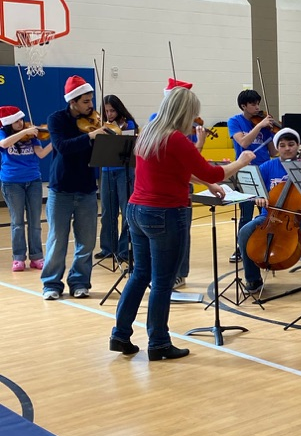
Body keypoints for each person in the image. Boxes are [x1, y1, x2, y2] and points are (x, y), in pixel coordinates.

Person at [109, 86, 254, 360]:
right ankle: (159, 343)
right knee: (163, 281)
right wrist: (241, 161)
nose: (194, 120)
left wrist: (207, 184)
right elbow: (214, 170)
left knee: (140, 274)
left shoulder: (149, 133)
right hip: (163, 212)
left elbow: (177, 170)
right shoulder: (175, 139)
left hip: (136, 209)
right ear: (184, 112)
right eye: (193, 115)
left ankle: (120, 334)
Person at [41, 76, 111, 300]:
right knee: (57, 239)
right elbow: (62, 147)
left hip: (87, 189)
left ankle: (80, 282)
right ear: (72, 101)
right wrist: (91, 136)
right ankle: (51, 284)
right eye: (86, 101)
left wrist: (105, 139)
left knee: (87, 241)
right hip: (61, 189)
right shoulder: (56, 120)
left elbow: (100, 155)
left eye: (91, 100)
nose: (91, 105)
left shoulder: (94, 122)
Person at [238, 127, 301, 296]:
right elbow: (254, 190)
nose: (287, 148)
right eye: (282, 145)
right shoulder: (267, 166)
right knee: (244, 232)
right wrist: (258, 197)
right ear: (277, 148)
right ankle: (253, 278)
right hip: (268, 216)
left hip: (300, 216)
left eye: (291, 144)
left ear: (298, 146)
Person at [151, 77, 207, 290]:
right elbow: (196, 165)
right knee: (174, 239)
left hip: (158, 198)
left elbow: (185, 165)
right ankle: (170, 277)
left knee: (183, 235)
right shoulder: (170, 132)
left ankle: (179, 274)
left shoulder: (165, 130)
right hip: (166, 200)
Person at [227, 89, 278, 260]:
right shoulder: (235, 121)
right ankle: (241, 246)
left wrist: (277, 136)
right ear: (244, 106)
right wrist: (259, 126)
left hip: (264, 170)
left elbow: (272, 151)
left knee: (265, 210)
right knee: (246, 211)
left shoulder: (264, 126)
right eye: (253, 104)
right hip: (245, 172)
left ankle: (264, 242)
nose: (257, 107)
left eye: (258, 103)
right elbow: (243, 142)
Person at [0, 106, 51, 271]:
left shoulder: (31, 135)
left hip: (33, 181)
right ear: (8, 122)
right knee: (17, 222)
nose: (20, 123)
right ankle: (18, 258)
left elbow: (41, 154)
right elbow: (4, 144)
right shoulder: (4, 133)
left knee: (35, 222)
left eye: (21, 120)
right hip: (12, 182)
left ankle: (36, 257)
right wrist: (23, 133)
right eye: (16, 121)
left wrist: (55, 142)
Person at [95, 94, 138, 264]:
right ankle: (107, 248)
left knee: (126, 210)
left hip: (124, 171)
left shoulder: (129, 124)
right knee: (107, 211)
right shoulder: (101, 125)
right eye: (106, 111)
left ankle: (124, 249)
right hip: (106, 170)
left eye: (112, 110)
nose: (110, 114)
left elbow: (129, 147)